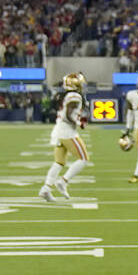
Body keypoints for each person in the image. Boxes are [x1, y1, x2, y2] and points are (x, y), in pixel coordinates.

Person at [39, 72, 90, 201]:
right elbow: (68, 116)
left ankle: (46, 188)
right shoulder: (74, 96)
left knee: (59, 162)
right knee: (83, 158)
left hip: (59, 130)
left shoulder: (66, 95)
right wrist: (80, 123)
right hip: (67, 131)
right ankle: (63, 181)